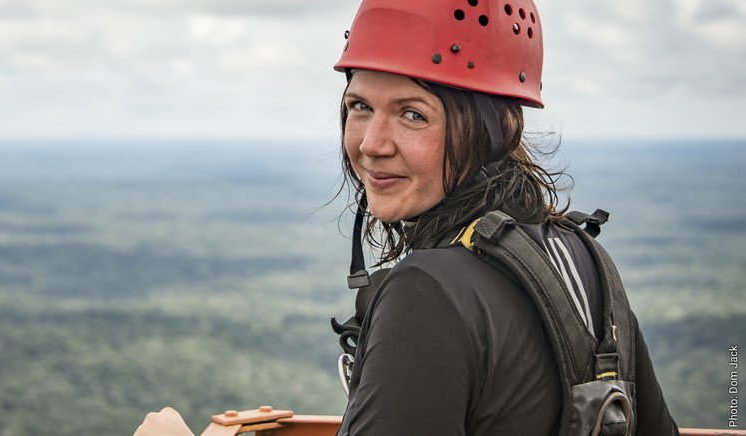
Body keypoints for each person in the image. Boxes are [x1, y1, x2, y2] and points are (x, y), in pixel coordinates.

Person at [136, 0, 678, 434]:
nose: (371, 144)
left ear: (491, 130)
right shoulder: (583, 257)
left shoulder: (427, 290)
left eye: (412, 114)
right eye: (359, 106)